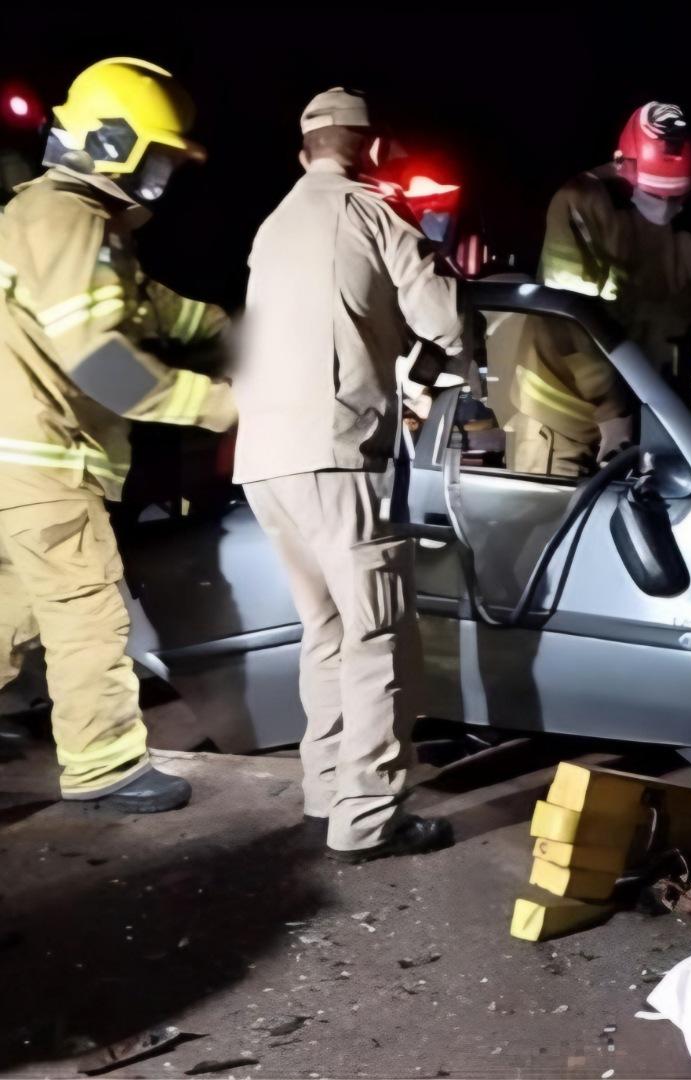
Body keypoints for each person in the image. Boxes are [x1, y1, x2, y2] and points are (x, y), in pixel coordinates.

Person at [232, 88, 461, 863]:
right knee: (380, 640)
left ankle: (326, 788)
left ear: (305, 152)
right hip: (336, 458)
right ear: (373, 149)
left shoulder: (270, 226)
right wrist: (436, 255)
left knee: (325, 631)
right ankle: (370, 819)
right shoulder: (372, 213)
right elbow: (449, 324)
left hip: (265, 463)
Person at [0, 58, 235, 810]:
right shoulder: (72, 217)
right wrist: (221, 405)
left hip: (17, 459)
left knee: (14, 613)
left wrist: (231, 326)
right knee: (85, 611)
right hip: (44, 458)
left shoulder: (56, 215)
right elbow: (103, 361)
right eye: (157, 157)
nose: (162, 176)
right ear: (111, 142)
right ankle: (105, 767)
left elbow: (145, 308)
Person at [503, 101, 691, 476]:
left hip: (648, 417)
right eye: (655, 194)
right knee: (546, 527)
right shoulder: (581, 202)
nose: (665, 208)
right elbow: (570, 316)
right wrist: (612, 414)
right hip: (562, 411)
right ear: (621, 164)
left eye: (677, 197)